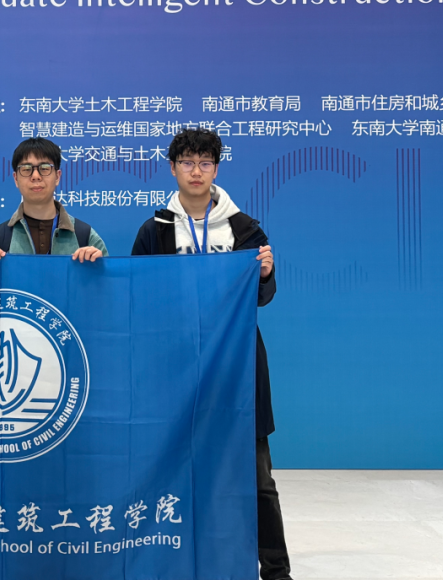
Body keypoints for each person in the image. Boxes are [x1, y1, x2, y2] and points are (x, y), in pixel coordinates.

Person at [131, 127, 292, 580]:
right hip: (177, 368)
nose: (196, 171)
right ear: (173, 168)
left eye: (205, 162)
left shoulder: (244, 228)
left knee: (257, 478)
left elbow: (262, 298)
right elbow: (138, 296)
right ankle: (177, 562)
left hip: (237, 366)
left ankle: (276, 571)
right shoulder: (155, 230)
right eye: (187, 162)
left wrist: (264, 274)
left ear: (216, 169)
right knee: (173, 470)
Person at [0, 137, 107, 262]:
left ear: (57, 176)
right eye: (26, 169)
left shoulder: (86, 237)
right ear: (16, 179)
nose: (35, 176)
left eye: (44, 168)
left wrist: (98, 268)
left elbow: (107, 277)